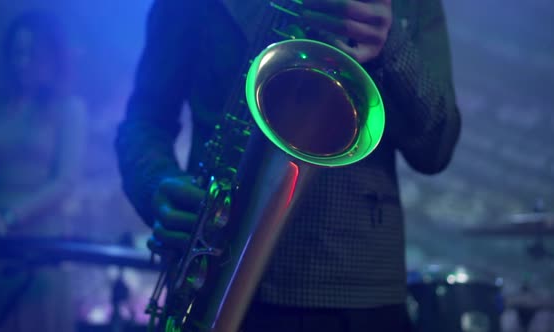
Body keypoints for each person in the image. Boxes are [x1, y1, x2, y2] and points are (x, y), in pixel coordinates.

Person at [116, 0, 461, 331]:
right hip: (214, 281)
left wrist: (392, 47)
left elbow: (436, 148)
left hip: (359, 298)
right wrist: (156, 185)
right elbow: (144, 120)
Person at [0, 10, 86, 332]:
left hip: (38, 253)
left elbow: (65, 181)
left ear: (50, 55)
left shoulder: (69, 109)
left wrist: (8, 216)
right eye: (17, 52)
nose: (23, 61)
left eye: (31, 52)